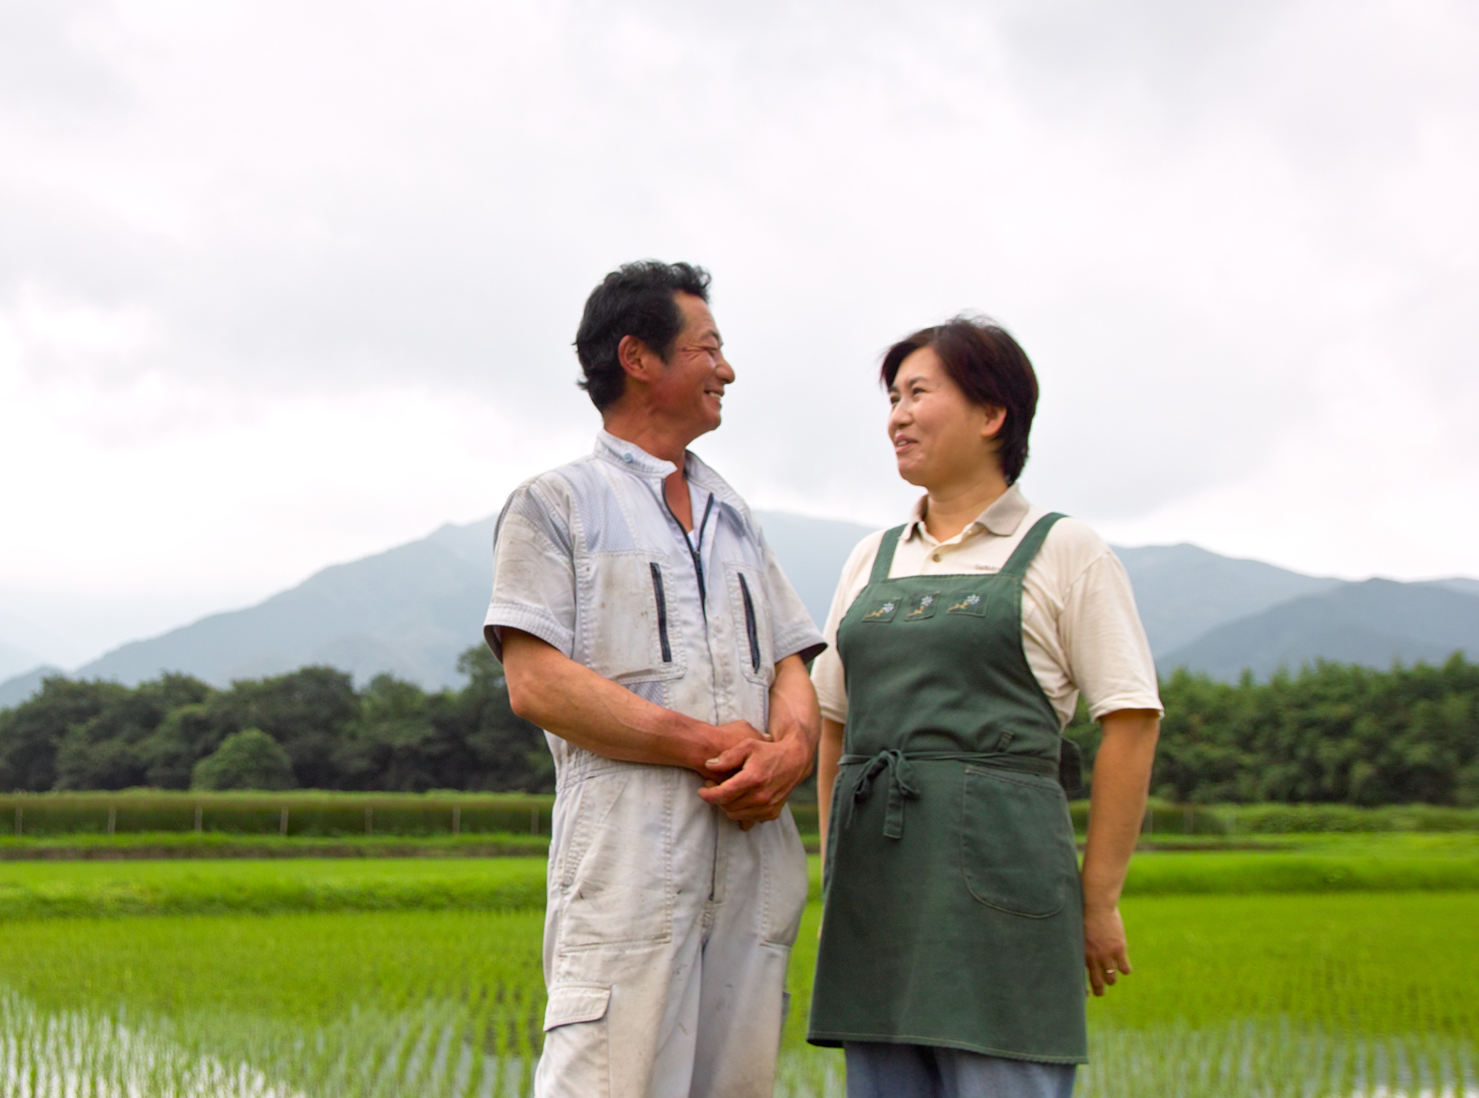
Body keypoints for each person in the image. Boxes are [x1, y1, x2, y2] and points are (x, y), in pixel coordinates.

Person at [485, 261, 826, 1098]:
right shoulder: (555, 504)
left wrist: (792, 752)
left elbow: (790, 657)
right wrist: (715, 747)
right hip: (627, 871)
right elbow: (537, 682)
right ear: (639, 358)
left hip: (749, 870)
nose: (727, 369)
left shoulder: (735, 512)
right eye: (709, 348)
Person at [807, 317, 1162, 1098]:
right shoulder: (872, 557)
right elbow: (833, 722)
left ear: (992, 413)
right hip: (879, 900)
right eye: (892, 397)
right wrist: (839, 867)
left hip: (1005, 892)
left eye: (918, 393)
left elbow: (1132, 720)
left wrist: (1098, 899)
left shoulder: (1065, 549)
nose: (897, 415)